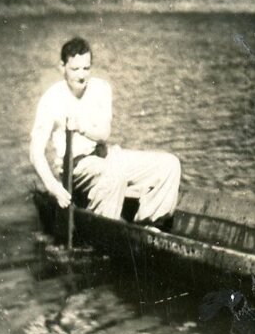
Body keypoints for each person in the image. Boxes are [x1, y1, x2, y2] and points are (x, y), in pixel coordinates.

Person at [29, 37, 181, 226]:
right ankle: (102, 228)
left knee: (169, 165)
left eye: (86, 68)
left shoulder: (101, 89)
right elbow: (35, 153)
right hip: (76, 168)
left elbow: (104, 133)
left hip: (105, 156)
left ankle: (150, 225)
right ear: (62, 67)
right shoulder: (51, 99)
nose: (81, 76)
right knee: (115, 175)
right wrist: (53, 187)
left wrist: (81, 127)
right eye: (75, 69)